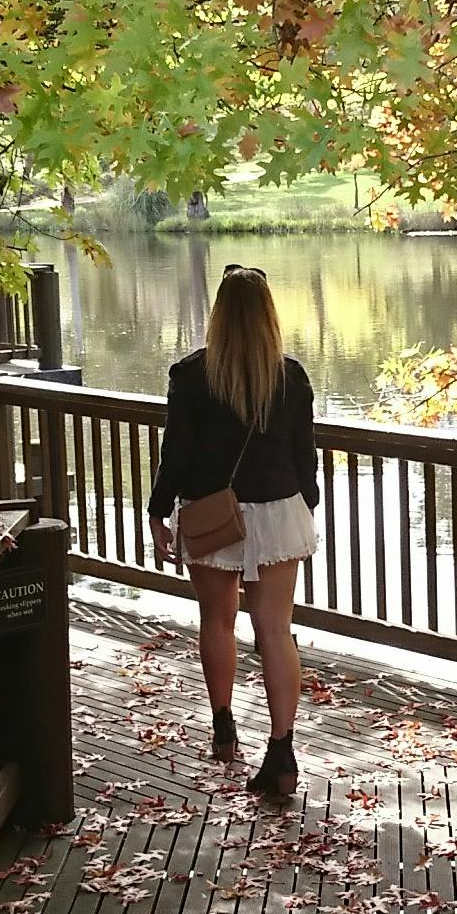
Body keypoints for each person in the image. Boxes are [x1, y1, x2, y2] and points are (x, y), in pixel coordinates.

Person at [147, 266, 321, 797]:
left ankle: (224, 727)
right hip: (278, 509)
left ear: (218, 315)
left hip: (211, 511)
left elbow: (174, 454)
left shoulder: (192, 376)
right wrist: (304, 507)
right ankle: (282, 750)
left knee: (217, 621)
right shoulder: (289, 377)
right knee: (276, 631)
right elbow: (305, 459)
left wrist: (158, 512)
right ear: (269, 314)